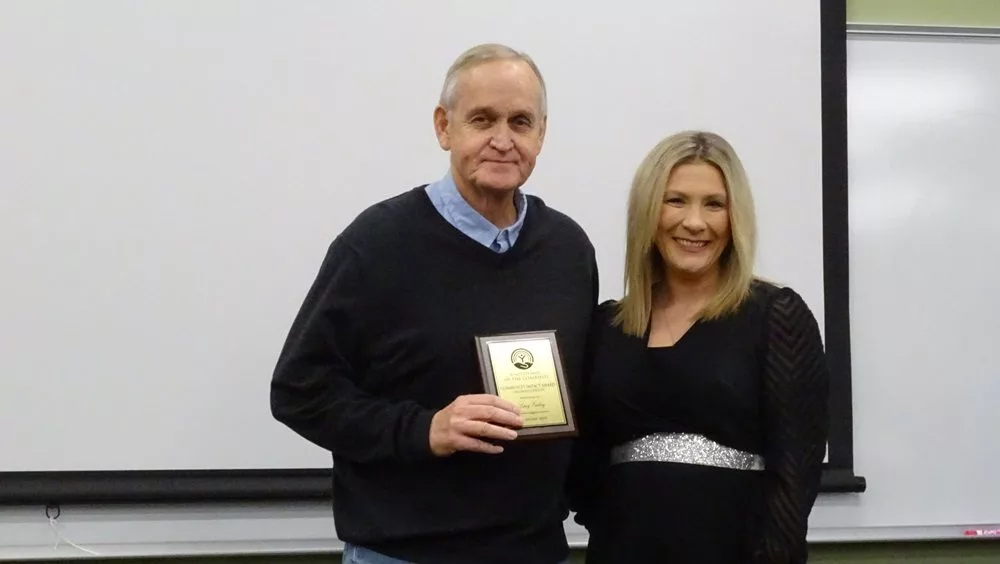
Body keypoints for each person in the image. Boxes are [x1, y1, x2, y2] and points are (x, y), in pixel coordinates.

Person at [270, 43, 598, 564]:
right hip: (406, 553)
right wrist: (423, 430)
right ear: (444, 127)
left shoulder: (568, 250)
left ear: (541, 133)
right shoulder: (376, 245)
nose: (502, 140)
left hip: (534, 549)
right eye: (482, 119)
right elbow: (298, 392)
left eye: (520, 122)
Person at [567, 131, 829, 563]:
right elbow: (586, 460)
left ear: (735, 216)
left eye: (714, 204)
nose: (695, 222)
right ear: (647, 212)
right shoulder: (607, 326)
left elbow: (797, 470)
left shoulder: (775, 315)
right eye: (675, 201)